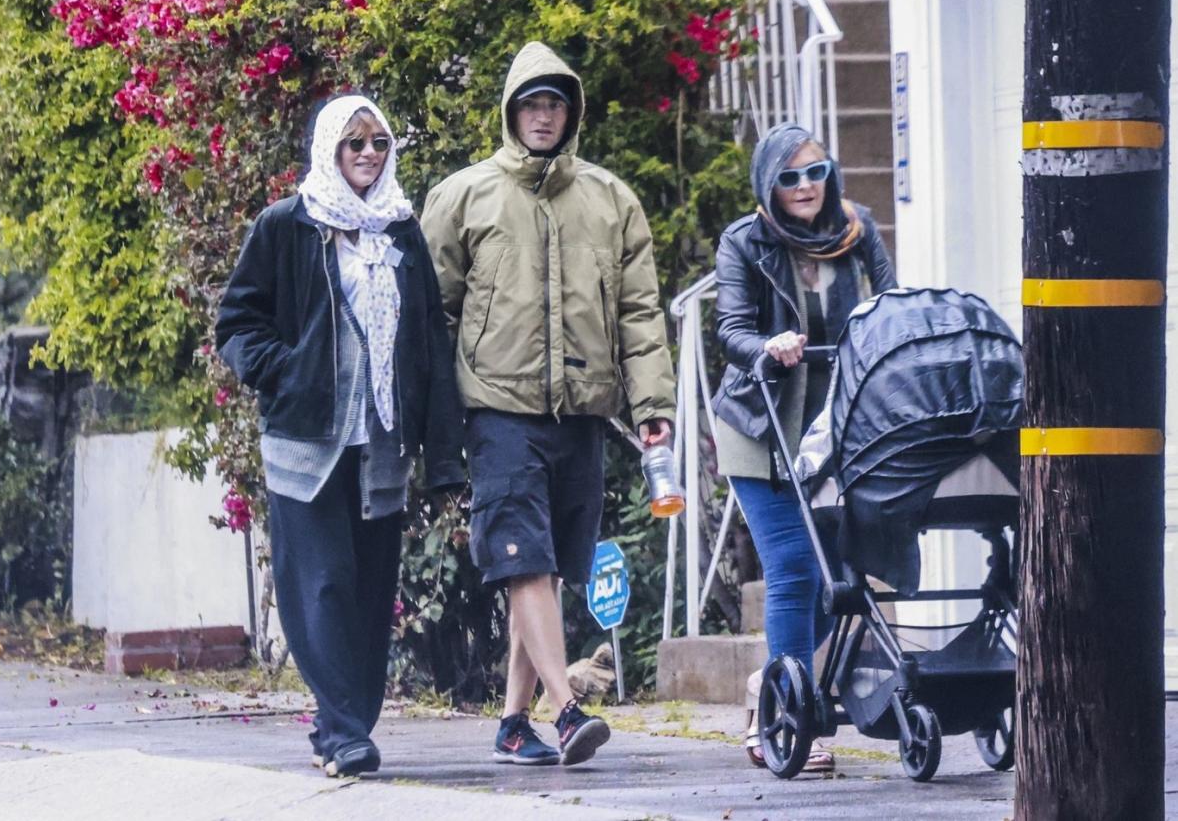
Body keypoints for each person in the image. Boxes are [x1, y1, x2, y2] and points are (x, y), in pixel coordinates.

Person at [422, 41, 676, 767]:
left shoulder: (609, 199)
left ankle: (511, 722)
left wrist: (652, 400)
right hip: (498, 409)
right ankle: (567, 713)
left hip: (585, 412)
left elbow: (639, 312)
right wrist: (437, 419)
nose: (542, 115)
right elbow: (431, 314)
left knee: (549, 567)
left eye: (554, 102)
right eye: (531, 102)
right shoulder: (464, 195)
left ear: (570, 112)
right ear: (511, 111)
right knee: (522, 560)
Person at [215, 95, 464, 778]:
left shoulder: (401, 231)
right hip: (306, 444)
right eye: (353, 143)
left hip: (381, 447)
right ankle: (347, 729)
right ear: (328, 149)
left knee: (366, 587)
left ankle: (342, 730)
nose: (367, 154)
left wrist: (443, 454)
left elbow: (431, 346)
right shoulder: (287, 226)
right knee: (320, 583)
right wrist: (285, 373)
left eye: (378, 143)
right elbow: (236, 324)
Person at [710, 122, 896, 773]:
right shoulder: (745, 242)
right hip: (761, 429)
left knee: (839, 581)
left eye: (815, 171)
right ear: (769, 185)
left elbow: (890, 307)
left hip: (835, 431)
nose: (805, 187)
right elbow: (730, 327)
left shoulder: (857, 229)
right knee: (792, 567)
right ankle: (798, 721)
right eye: (789, 177)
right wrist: (767, 345)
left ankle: (771, 686)